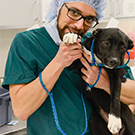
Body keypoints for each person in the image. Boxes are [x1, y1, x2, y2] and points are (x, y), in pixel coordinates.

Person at [2, 0, 135, 134]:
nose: (79, 25)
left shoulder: (94, 43)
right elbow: (21, 111)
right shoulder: (26, 43)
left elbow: (133, 94)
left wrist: (104, 83)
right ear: (58, 7)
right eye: (74, 12)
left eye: (89, 19)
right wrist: (59, 62)